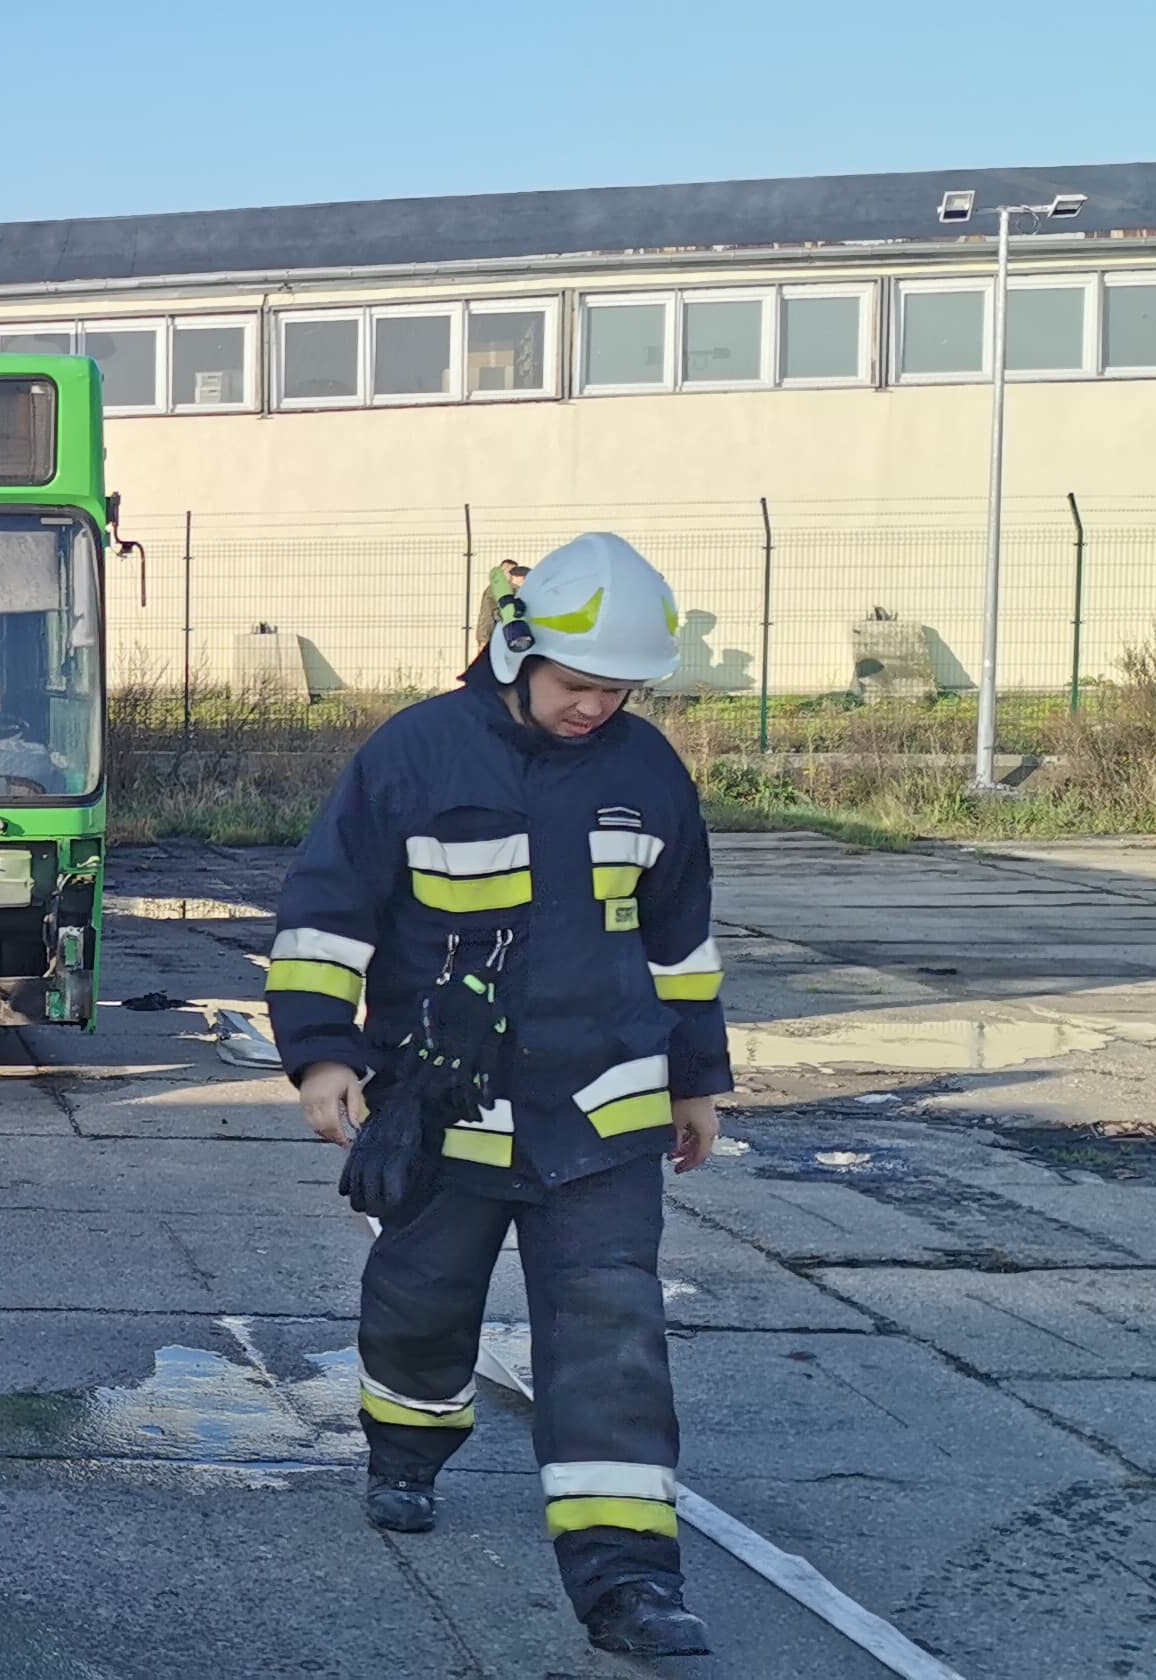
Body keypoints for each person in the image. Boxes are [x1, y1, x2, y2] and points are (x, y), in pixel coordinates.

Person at [267, 532, 727, 1660]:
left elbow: (679, 943)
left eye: (618, 690)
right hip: (444, 1108)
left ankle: (629, 1581)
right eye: (578, 684)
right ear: (518, 649)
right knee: (420, 1308)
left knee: (613, 1338)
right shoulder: (416, 754)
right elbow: (328, 912)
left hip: (602, 1113)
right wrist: (323, 1055)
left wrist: (696, 1081)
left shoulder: (647, 770)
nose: (596, 708)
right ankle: (406, 1454)